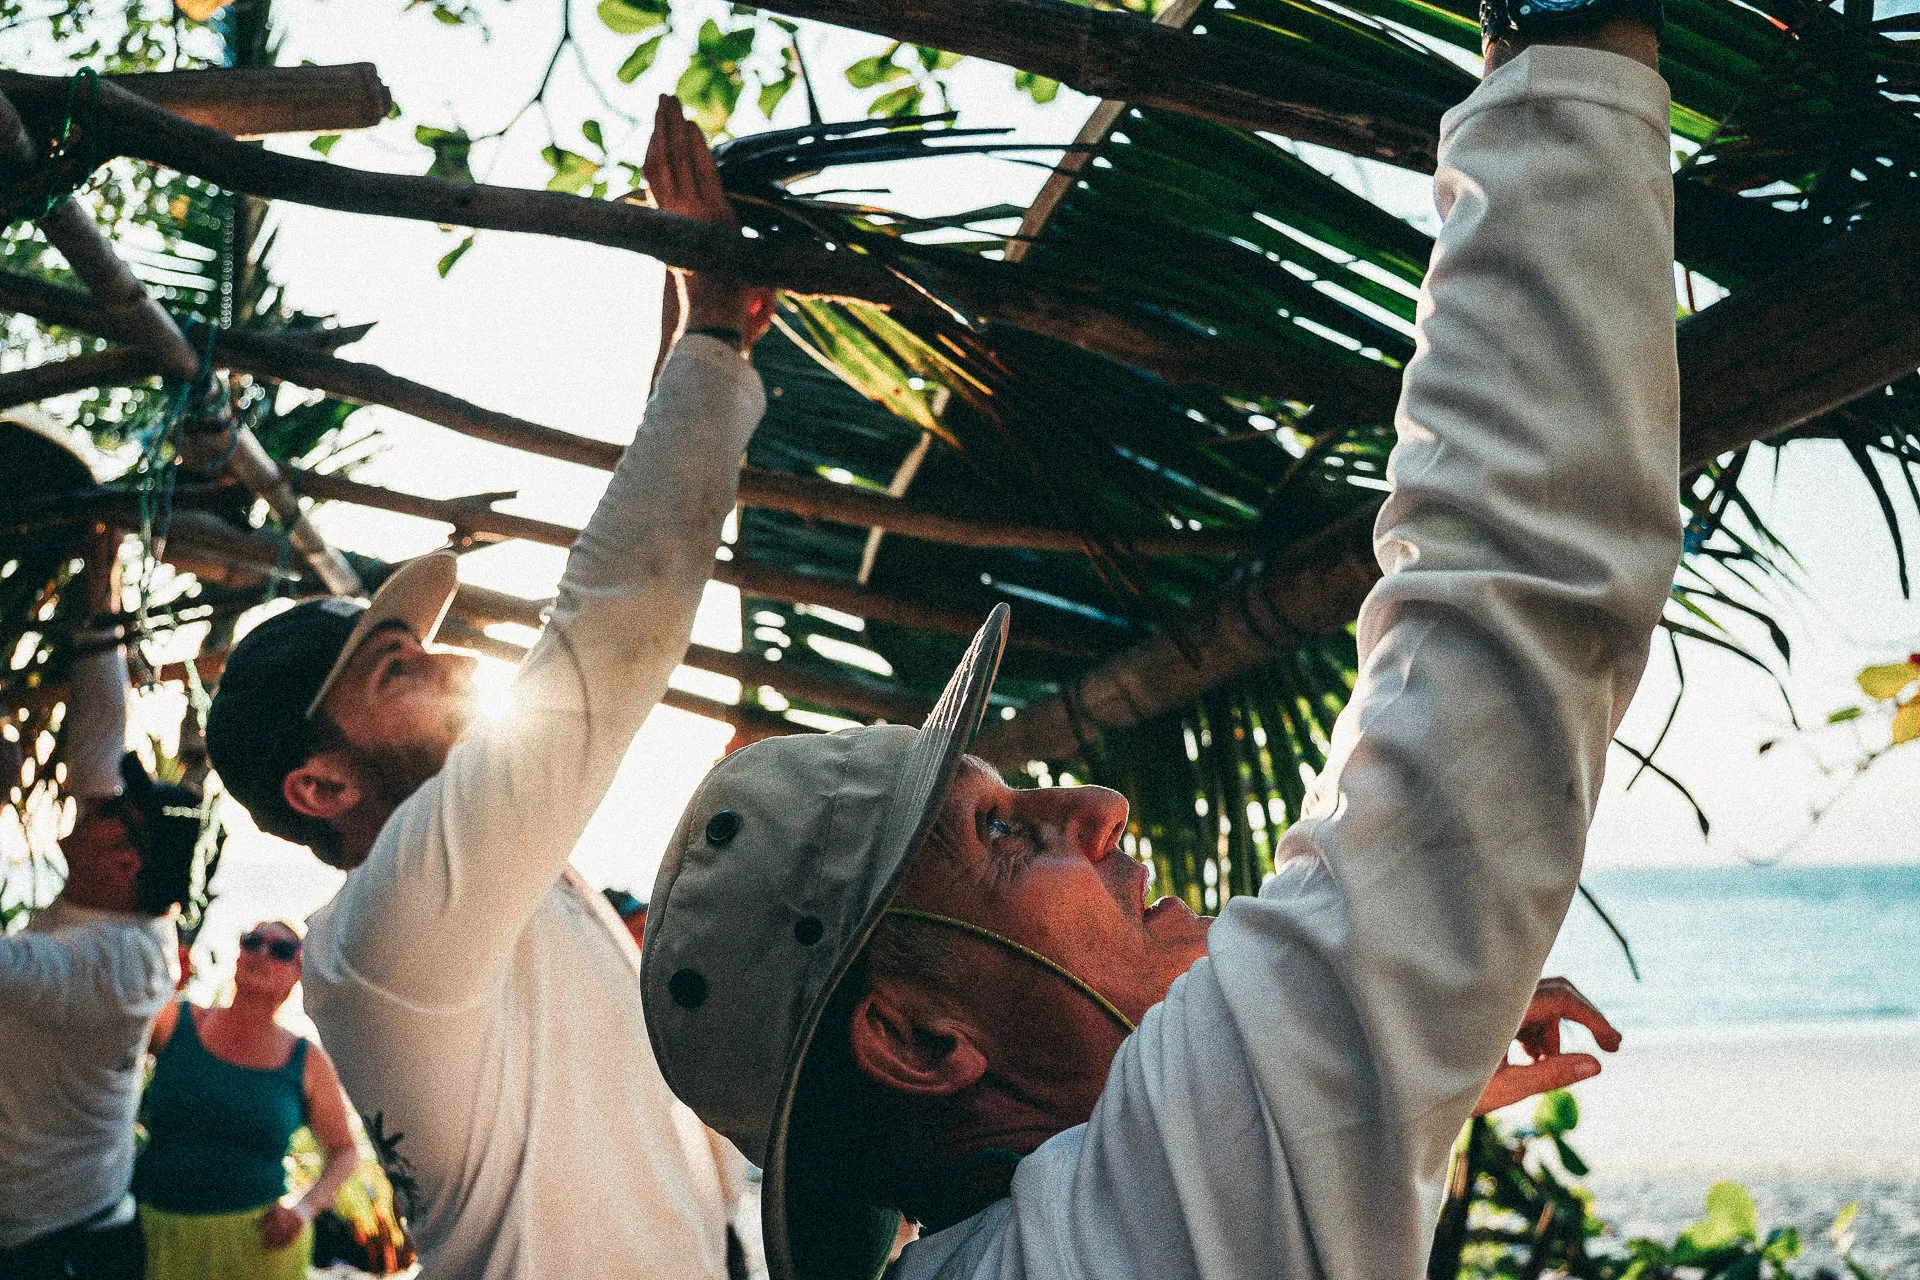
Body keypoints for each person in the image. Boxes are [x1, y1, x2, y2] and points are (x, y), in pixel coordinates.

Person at [642, 15, 1678, 1280]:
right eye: (1002, 836)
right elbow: (1506, 602)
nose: (1097, 804)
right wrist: (1566, 48)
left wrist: (1336, 1097)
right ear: (917, 1039)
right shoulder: (1135, 1222)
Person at [202, 96, 774, 1279]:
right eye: (394, 667)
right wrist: (712, 334)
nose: (456, 663)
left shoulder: (488, 891)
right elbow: (605, 638)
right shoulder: (385, 936)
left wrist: (688, 340)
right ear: (319, 781)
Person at [0, 542, 200, 1280]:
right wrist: (99, 582)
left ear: (123, 863)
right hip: (69, 1229)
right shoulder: (127, 903)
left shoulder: (105, 968)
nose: (101, 794)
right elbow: (97, 739)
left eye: (120, 811)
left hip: (62, 1252)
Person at [132, 920, 357, 1280]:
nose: (262, 953)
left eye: (281, 949)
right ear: (238, 955)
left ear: (298, 973)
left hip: (259, 1249)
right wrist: (161, 984)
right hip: (154, 1233)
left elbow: (344, 1152)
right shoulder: (178, 1020)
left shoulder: (306, 1061)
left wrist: (302, 1211)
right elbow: (111, 1032)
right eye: (252, 942)